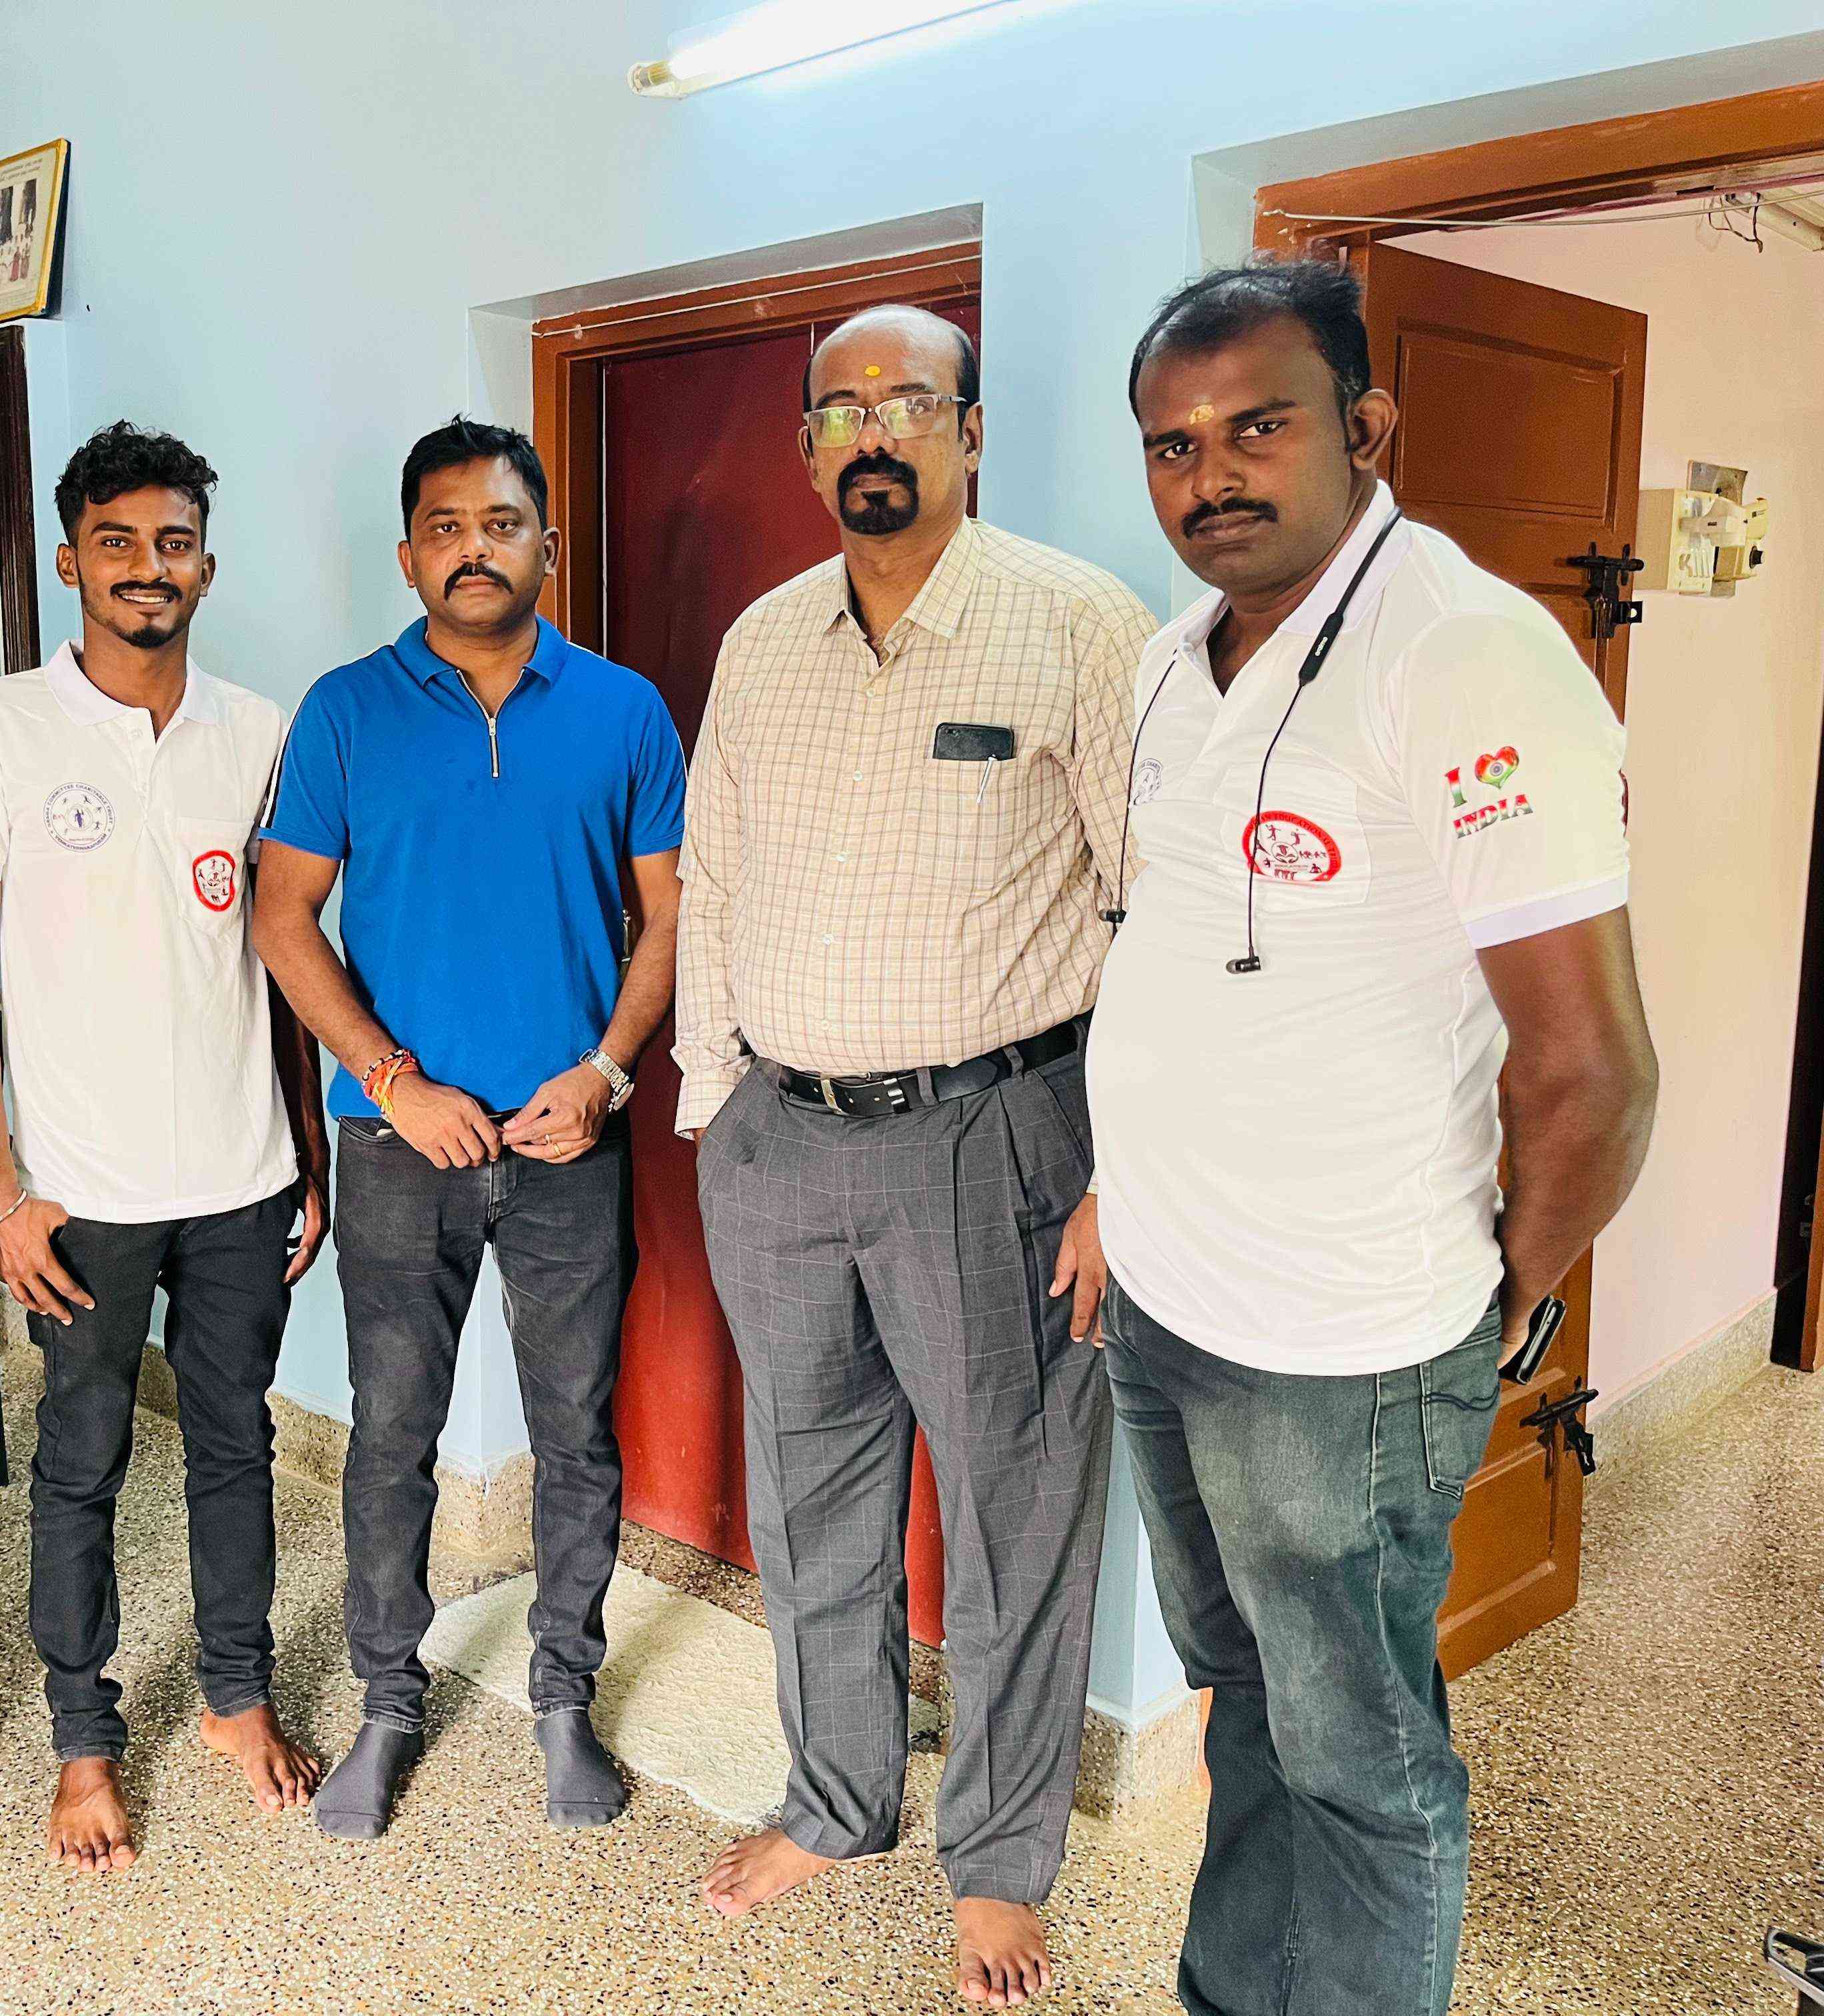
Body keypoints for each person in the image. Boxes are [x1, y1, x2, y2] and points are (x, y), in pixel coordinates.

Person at [1081, 259, 1657, 2016]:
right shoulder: (1177, 661)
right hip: (1168, 1304)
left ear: (1368, 426)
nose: (1210, 476)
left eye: (1257, 425)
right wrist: (1117, 1195)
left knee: (1361, 1761)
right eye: (1173, 445)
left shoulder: (1465, 654)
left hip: (1343, 1342)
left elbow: (1591, 1071)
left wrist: (1494, 1304)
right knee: (1244, 1698)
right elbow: (1185, 959)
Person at [674, 303, 1156, 2005]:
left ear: (971, 431)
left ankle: (1001, 1858)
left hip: (993, 1140)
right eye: (842, 409)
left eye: (911, 403)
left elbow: (1163, 912)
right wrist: (713, 1108)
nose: (874, 431)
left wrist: (1121, 1175)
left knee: (1016, 1509)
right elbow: (712, 876)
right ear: (808, 446)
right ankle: (837, 1800)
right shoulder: (762, 640)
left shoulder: (1080, 625)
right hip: (781, 1140)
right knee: (813, 1501)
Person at [251, 417, 687, 1842]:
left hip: (569, 1140)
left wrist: (608, 1071)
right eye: (445, 527)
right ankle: (389, 1700)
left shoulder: (623, 711)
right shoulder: (345, 711)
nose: (473, 550)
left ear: (544, 544)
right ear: (408, 555)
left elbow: (672, 915)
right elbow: (282, 916)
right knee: (391, 1435)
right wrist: (392, 1079)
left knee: (576, 1433)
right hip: (401, 1148)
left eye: (501, 524)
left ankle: (565, 1694)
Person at [0, 421, 331, 1875]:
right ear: (70, 562)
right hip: (76, 1191)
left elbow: (285, 949)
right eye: (117, 543)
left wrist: (310, 1154)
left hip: (241, 1176)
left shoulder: (262, 731)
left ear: (206, 567)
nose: (147, 568)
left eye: (173, 544)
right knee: (82, 1462)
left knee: (235, 1444)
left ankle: (235, 1696)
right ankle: (84, 1741)